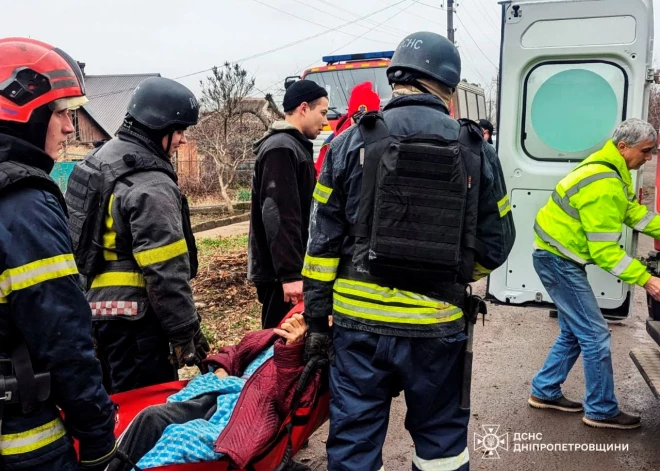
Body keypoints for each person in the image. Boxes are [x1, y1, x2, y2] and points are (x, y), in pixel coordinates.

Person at [302, 31, 515, 471]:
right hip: (437, 326)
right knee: (441, 445)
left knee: (354, 443)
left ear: (394, 78)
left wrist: (316, 321)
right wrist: (453, 271)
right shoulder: (477, 149)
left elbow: (321, 244)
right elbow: (498, 243)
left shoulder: (346, 143)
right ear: (448, 88)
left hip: (358, 329)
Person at [0, 37, 116, 470]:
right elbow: (63, 335)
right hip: (23, 441)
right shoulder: (23, 204)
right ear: (23, 112)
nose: (70, 127)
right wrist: (98, 436)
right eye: (62, 112)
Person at [66, 77, 209, 394]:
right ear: (161, 127)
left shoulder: (98, 160)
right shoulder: (150, 184)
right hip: (137, 326)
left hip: (95, 318)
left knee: (113, 405)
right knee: (145, 410)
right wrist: (186, 331)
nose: (182, 141)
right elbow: (165, 270)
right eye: (180, 131)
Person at [530, 118, 660, 430]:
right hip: (558, 260)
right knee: (595, 333)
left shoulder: (612, 169)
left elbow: (631, 213)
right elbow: (605, 252)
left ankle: (545, 390)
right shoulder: (604, 182)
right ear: (623, 146)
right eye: (646, 151)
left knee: (576, 331)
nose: (650, 157)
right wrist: (648, 279)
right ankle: (601, 409)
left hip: (555, 255)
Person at [108, 313, 319, 471]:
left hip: (249, 414)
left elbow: (289, 403)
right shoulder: (269, 336)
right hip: (219, 392)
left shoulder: (312, 360)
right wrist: (222, 368)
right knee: (151, 416)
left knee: (182, 438)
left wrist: (291, 350)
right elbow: (233, 352)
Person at [249, 80, 329, 328]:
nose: (325, 122)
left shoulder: (292, 146)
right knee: (281, 352)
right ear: (304, 108)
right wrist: (290, 275)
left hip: (287, 275)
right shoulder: (281, 148)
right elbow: (280, 214)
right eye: (323, 112)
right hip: (284, 281)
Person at [315, 81, 381, 176]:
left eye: (367, 118)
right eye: (356, 117)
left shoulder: (387, 140)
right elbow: (320, 178)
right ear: (349, 116)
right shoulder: (331, 144)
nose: (360, 123)